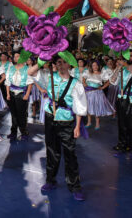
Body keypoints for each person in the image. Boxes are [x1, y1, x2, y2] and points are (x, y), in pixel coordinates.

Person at [31, 55, 88, 201]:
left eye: (64, 62)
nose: (61, 65)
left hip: (67, 121)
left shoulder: (76, 83)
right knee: (51, 151)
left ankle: (75, 186)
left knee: (70, 154)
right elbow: (30, 73)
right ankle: (51, 180)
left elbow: (79, 106)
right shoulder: (49, 76)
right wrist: (42, 59)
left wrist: (77, 126)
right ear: (55, 64)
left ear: (69, 65)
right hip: (51, 118)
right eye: (58, 62)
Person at [5, 51, 34, 141]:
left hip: (22, 93)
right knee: (13, 114)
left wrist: (27, 95)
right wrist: (8, 94)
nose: (17, 58)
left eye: (19, 56)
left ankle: (23, 132)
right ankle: (13, 132)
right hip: (12, 93)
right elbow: (7, 82)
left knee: (21, 114)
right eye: (15, 56)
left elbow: (30, 83)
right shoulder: (11, 68)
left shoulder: (27, 69)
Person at [82, 60, 114, 130]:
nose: (95, 67)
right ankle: (89, 122)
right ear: (91, 66)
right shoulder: (88, 72)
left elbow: (109, 81)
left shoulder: (102, 74)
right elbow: (83, 79)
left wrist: (103, 87)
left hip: (97, 93)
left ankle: (97, 123)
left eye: (96, 65)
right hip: (88, 93)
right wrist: (84, 84)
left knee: (97, 107)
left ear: (98, 66)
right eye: (93, 65)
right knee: (88, 107)